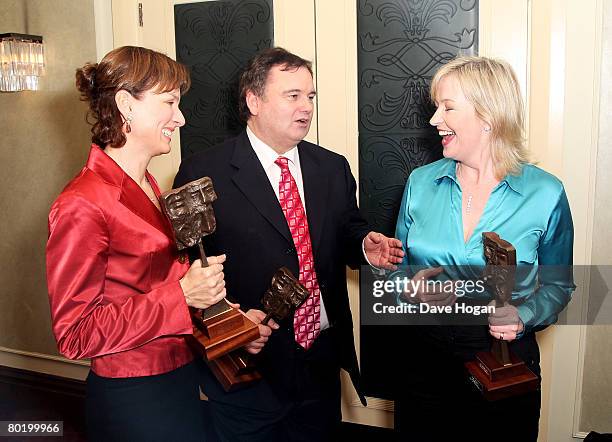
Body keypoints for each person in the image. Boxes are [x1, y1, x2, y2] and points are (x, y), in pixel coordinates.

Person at [174, 47, 404, 441]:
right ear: (254, 101)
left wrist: (365, 247)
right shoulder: (204, 171)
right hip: (249, 358)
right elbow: (187, 268)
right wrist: (230, 324)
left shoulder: (331, 166)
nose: (306, 107)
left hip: (321, 355)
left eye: (310, 96)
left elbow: (347, 230)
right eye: (293, 95)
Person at [46, 46, 227, 442]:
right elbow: (75, 334)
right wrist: (182, 295)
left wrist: (211, 298)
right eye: (170, 102)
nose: (180, 118)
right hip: (133, 396)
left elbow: (148, 278)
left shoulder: (147, 185)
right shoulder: (81, 202)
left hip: (178, 374)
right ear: (126, 104)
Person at [391, 56, 575, 441]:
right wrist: (410, 290)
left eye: (448, 107)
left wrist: (524, 314)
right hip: (425, 357)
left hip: (504, 361)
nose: (434, 119)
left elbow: (559, 286)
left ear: (489, 115)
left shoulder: (546, 193)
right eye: (436, 106)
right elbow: (396, 268)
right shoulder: (420, 183)